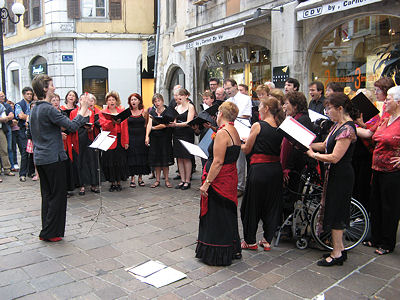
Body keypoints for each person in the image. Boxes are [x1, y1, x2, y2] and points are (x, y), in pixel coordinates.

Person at [30, 74, 90, 242]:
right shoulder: (48, 108)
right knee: (57, 196)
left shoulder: (34, 108)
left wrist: (56, 134)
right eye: (51, 85)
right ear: (44, 88)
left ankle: (46, 231)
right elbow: (71, 126)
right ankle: (52, 233)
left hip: (41, 158)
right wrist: (83, 109)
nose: (54, 87)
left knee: (47, 196)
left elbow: (36, 132)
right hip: (53, 158)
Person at [306, 92, 358, 266]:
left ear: (340, 108)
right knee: (334, 211)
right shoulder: (337, 126)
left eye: (329, 108)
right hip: (334, 174)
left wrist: (314, 155)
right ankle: (339, 249)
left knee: (337, 213)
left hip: (341, 175)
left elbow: (335, 156)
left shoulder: (348, 129)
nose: (327, 112)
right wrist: (308, 143)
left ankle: (337, 253)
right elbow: (325, 145)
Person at [196, 101, 242, 266]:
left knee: (217, 216)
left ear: (221, 114)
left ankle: (217, 252)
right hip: (229, 179)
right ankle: (232, 248)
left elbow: (218, 162)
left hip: (219, 181)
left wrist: (207, 183)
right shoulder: (233, 130)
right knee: (226, 214)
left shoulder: (223, 133)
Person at [357, 86, 400, 255]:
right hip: (377, 168)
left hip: (392, 171)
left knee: (389, 207)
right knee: (376, 204)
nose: (385, 101)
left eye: (389, 98)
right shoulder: (385, 119)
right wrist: (347, 126)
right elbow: (369, 134)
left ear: (398, 102)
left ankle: (387, 242)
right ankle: (375, 237)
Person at [240, 96, 284, 251]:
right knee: (271, 204)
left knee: (252, 205)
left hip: (259, 170)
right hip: (275, 169)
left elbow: (247, 149)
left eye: (260, 106)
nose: (258, 109)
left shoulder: (258, 125)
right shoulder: (281, 126)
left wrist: (241, 143)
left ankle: (250, 241)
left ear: (266, 109)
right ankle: (267, 239)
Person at [281, 92, 313, 220]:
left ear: (295, 106)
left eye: (286, 103)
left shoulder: (302, 120)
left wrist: (288, 168)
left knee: (290, 196)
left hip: (295, 167)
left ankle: (288, 227)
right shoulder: (294, 118)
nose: (284, 106)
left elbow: (298, 147)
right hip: (292, 165)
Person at [224, 78, 252, 197]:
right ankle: (234, 183)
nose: (227, 91)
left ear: (235, 86)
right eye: (225, 89)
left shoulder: (245, 98)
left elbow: (239, 114)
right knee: (233, 160)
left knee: (241, 161)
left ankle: (241, 186)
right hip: (231, 130)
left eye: (229, 88)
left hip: (242, 131)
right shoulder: (228, 100)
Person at [70, 93, 101, 195]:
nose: (84, 101)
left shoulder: (91, 112)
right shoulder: (74, 112)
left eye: (86, 99)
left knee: (91, 161)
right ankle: (81, 185)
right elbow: (71, 125)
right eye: (82, 99)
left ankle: (93, 184)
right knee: (80, 162)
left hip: (88, 138)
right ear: (79, 101)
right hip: (78, 139)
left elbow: (92, 125)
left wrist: (90, 128)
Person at [99, 91, 129, 192]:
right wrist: (112, 122)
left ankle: (119, 182)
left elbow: (125, 127)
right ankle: (112, 183)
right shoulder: (103, 112)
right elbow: (104, 126)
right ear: (106, 102)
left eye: (113, 100)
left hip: (120, 138)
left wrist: (126, 141)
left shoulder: (121, 111)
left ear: (116, 101)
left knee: (120, 161)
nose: (111, 101)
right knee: (110, 162)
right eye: (109, 100)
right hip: (109, 138)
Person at [145, 93, 174, 188]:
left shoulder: (168, 111)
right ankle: (157, 180)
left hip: (165, 138)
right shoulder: (152, 112)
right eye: (155, 101)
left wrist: (153, 128)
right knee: (156, 160)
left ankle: (166, 180)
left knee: (165, 161)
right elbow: (149, 124)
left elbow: (165, 125)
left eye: (158, 101)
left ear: (162, 101)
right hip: (155, 139)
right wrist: (147, 136)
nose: (157, 103)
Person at [170, 88, 195, 190]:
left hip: (186, 134)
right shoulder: (176, 107)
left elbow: (189, 122)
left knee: (186, 157)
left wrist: (176, 124)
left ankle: (187, 181)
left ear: (186, 96)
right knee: (179, 158)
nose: (178, 97)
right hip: (177, 134)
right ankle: (182, 179)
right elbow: (173, 120)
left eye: (180, 95)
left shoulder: (190, 107)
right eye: (177, 95)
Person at [127, 93, 150, 188]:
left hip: (141, 137)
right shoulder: (127, 112)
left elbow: (148, 124)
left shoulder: (144, 112)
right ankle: (132, 178)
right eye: (132, 100)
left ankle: (140, 178)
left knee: (141, 157)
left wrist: (147, 137)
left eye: (135, 99)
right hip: (131, 137)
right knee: (131, 157)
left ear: (139, 101)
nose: (133, 101)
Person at [14, 87, 34, 182]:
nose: (29, 96)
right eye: (27, 94)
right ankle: (22, 173)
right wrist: (31, 117)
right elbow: (20, 115)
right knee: (24, 151)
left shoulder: (34, 103)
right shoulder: (19, 104)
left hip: (33, 130)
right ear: (23, 94)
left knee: (32, 151)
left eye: (30, 94)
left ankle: (31, 171)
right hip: (23, 130)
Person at [0, 91, 15, 170]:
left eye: (3, 96)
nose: (2, 98)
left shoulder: (5, 106)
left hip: (4, 128)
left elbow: (11, 115)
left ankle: (8, 167)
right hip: (3, 126)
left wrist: (5, 118)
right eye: (1, 96)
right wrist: (4, 119)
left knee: (6, 148)